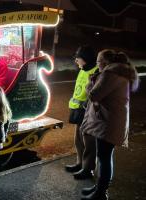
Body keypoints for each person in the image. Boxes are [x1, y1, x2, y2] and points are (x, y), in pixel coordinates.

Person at [80, 50, 139, 200]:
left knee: (104, 157)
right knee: (104, 156)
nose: (97, 64)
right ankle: (99, 187)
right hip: (112, 121)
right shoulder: (119, 73)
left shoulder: (110, 74)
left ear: (105, 63)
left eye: (99, 61)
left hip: (109, 123)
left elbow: (94, 95)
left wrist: (91, 82)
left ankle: (101, 192)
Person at [65, 45, 98, 180]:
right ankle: (80, 163)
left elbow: (95, 93)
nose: (76, 61)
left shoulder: (95, 71)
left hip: (88, 111)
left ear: (85, 58)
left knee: (88, 142)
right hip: (78, 110)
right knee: (78, 139)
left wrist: (86, 105)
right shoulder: (83, 69)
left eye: (77, 58)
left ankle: (88, 169)